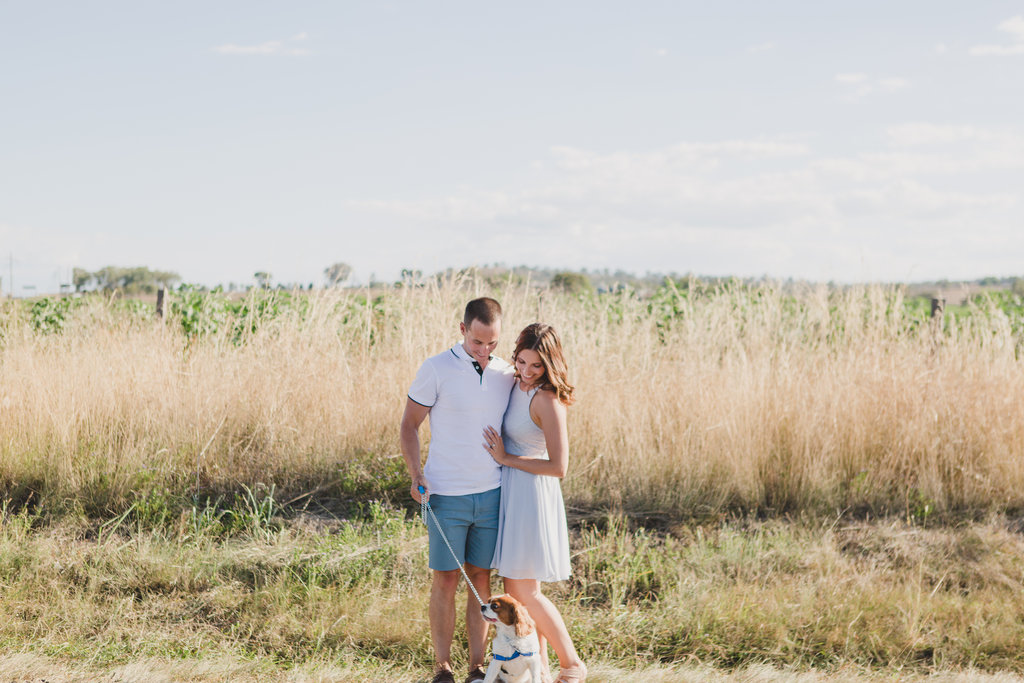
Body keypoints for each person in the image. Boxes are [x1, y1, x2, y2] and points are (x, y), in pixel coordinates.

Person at [401, 297, 516, 683]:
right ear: (462, 329)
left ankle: (477, 668)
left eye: (493, 343)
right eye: (478, 342)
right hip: (445, 495)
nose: (484, 351)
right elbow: (408, 426)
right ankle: (442, 667)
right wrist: (417, 473)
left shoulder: (507, 373)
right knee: (446, 579)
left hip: (491, 493)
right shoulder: (436, 368)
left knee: (480, 581)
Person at [482, 323, 587, 683]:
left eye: (536, 366)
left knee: (524, 591)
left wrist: (507, 458)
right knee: (520, 591)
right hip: (512, 491)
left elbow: (559, 466)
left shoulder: (547, 400)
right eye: (522, 362)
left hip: (532, 494)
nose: (526, 371)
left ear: (549, 366)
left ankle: (571, 663)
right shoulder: (515, 384)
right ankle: (538, 671)